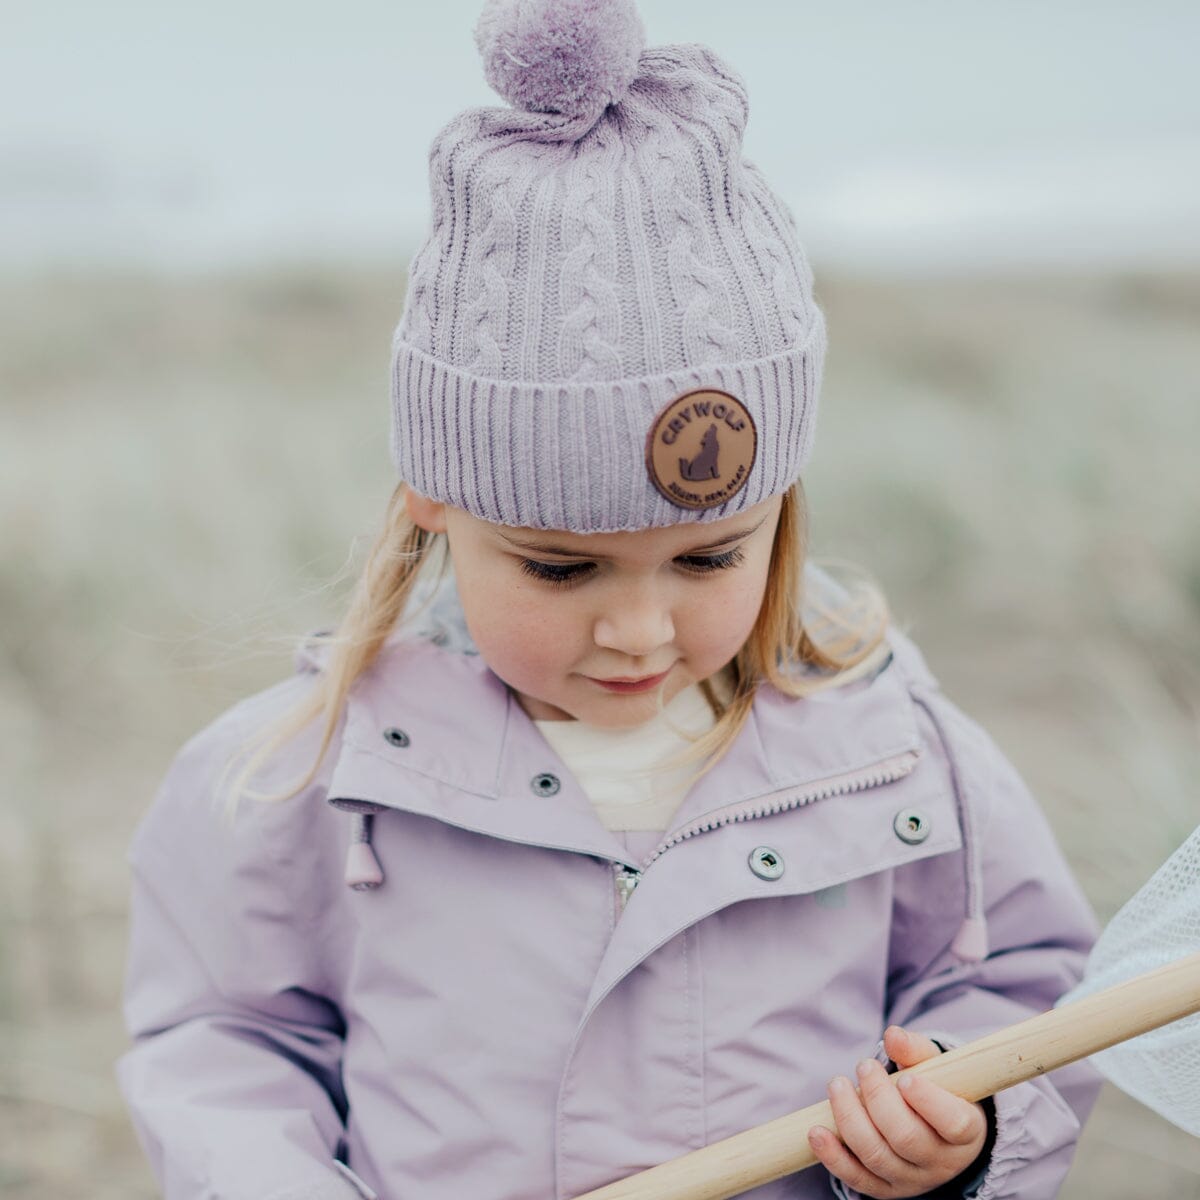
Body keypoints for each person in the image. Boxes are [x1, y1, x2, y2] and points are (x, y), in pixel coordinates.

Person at [116, 1, 1102, 1197]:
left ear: (779, 509)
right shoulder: (308, 773)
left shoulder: (892, 750)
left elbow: (1024, 983)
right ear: (434, 499)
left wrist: (962, 1119)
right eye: (561, 567)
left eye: (707, 559)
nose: (640, 630)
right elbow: (227, 1045)